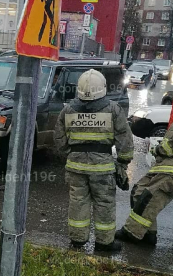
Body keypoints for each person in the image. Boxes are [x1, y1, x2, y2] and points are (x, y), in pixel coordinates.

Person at [54, 69, 134, 252]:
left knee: (78, 202)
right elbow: (125, 138)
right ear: (103, 87)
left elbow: (59, 138)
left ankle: (77, 241)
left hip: (75, 166)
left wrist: (71, 153)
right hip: (103, 168)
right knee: (104, 203)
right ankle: (104, 242)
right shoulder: (113, 109)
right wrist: (123, 163)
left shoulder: (67, 110)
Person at [116, 94, 173, 246]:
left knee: (149, 199)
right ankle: (148, 234)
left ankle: (131, 232)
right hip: (161, 169)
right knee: (138, 192)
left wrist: (158, 149)